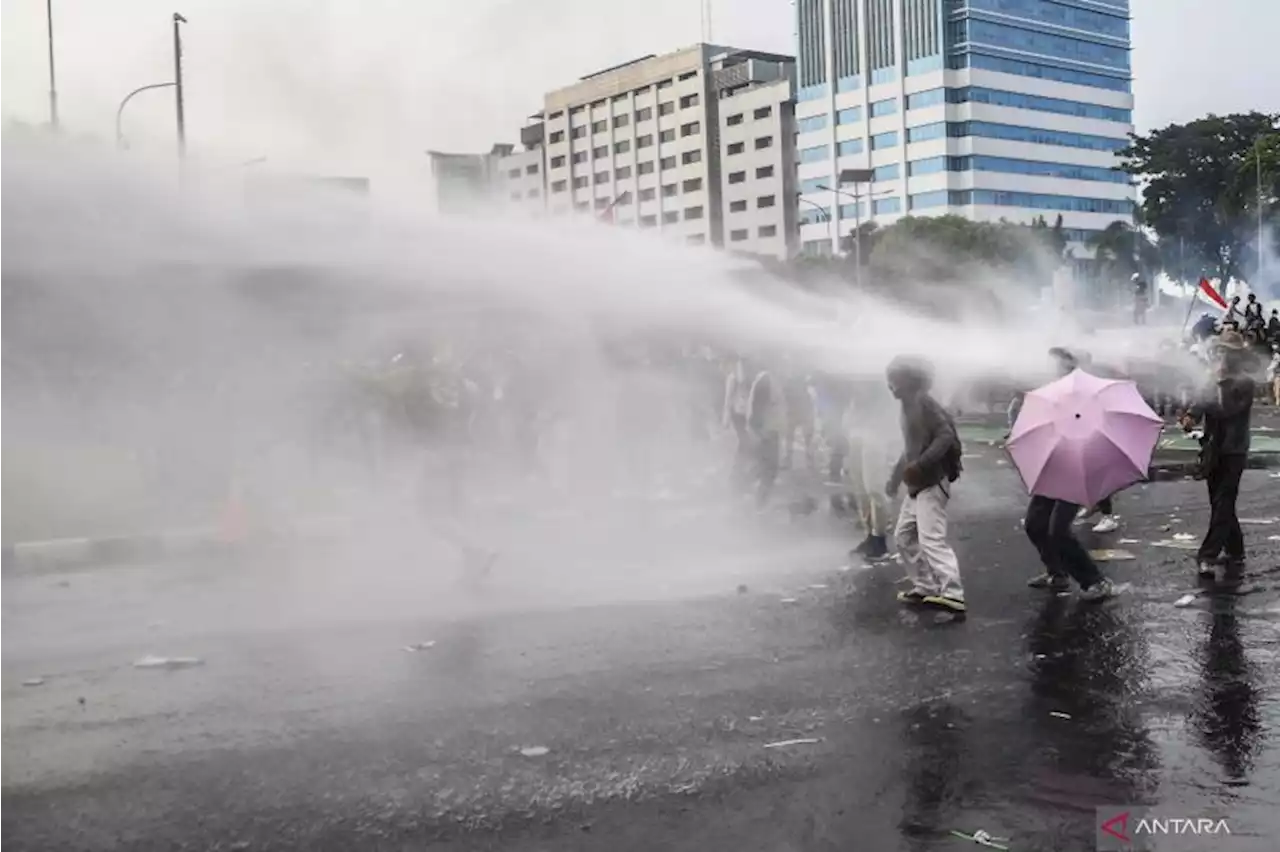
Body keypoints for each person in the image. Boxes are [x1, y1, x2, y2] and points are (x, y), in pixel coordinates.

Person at [885, 356, 966, 615]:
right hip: (917, 485)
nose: (891, 386)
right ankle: (926, 586)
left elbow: (945, 436)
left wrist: (920, 465)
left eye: (895, 380)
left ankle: (953, 593)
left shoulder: (924, 403)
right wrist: (896, 477)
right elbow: (910, 449)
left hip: (932, 482)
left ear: (909, 381)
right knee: (904, 537)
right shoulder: (908, 406)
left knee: (931, 539)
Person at [1181, 330, 1255, 583]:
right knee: (1219, 502)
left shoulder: (1244, 382)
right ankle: (1236, 550)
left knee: (1223, 501)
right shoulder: (1211, 378)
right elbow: (1201, 402)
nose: (1222, 355)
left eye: (1228, 351)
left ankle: (1208, 555)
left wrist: (1218, 381)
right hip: (1213, 448)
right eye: (1220, 350)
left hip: (1234, 449)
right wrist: (1190, 416)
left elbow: (1227, 410)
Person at [747, 363, 786, 508]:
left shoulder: (773, 380)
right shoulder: (766, 380)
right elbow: (756, 406)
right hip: (766, 433)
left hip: (770, 432)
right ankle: (759, 504)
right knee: (769, 470)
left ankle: (757, 500)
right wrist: (759, 431)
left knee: (767, 469)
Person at [722, 358, 752, 484]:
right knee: (744, 443)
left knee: (746, 444)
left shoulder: (750, 380)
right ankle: (736, 474)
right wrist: (726, 418)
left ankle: (739, 473)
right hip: (737, 414)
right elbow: (728, 399)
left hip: (747, 414)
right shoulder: (732, 378)